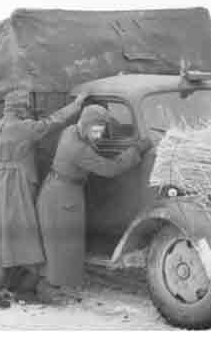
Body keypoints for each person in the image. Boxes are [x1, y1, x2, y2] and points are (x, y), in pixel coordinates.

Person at [0, 89, 87, 308]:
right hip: (12, 187)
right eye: (26, 106)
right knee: (13, 241)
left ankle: (4, 288)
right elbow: (53, 121)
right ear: (21, 108)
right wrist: (77, 105)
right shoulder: (24, 128)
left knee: (1, 237)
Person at [36, 105, 152, 295]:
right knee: (62, 245)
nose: (99, 136)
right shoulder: (77, 148)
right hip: (61, 197)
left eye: (101, 131)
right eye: (95, 130)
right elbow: (110, 168)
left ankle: (58, 284)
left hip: (60, 191)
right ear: (85, 124)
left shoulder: (71, 130)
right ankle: (50, 288)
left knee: (63, 243)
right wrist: (136, 149)